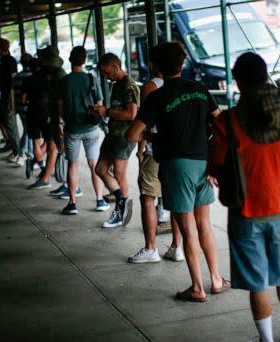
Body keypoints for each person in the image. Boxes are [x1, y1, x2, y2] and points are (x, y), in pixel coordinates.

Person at [208, 52, 280, 342]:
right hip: (276, 208)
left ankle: (266, 339)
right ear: (265, 75)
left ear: (238, 82)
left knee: (257, 283)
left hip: (243, 212)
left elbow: (214, 164)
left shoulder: (227, 122)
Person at [126, 42, 228, 302]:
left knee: (187, 227)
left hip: (176, 165)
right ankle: (216, 279)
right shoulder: (199, 89)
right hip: (202, 163)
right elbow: (220, 123)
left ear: (156, 66)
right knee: (204, 223)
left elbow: (132, 134)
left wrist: (153, 132)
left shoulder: (156, 97)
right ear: (182, 64)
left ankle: (197, 288)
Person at [127, 45, 184, 264]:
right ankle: (176, 247)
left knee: (148, 198)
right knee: (174, 201)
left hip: (156, 151)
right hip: (177, 152)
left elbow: (143, 123)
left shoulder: (150, 87)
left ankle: (151, 248)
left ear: (154, 64)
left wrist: (142, 147)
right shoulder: (184, 87)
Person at [56, 46, 110, 214]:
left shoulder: (64, 82)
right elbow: (99, 105)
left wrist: (65, 121)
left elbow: (60, 108)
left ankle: (72, 203)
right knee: (94, 164)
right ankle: (100, 200)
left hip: (72, 128)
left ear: (70, 59)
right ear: (84, 60)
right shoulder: (91, 79)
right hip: (91, 128)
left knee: (73, 164)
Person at [93, 53, 139, 228]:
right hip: (113, 133)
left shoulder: (128, 85)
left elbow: (131, 114)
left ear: (115, 67)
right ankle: (122, 200)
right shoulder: (117, 84)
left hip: (124, 136)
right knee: (100, 168)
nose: (106, 77)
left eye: (107, 73)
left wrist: (107, 112)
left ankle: (121, 212)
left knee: (119, 173)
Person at [27, 46, 66, 190]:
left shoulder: (58, 74)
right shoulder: (48, 73)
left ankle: (48, 178)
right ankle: (47, 177)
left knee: (54, 146)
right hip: (51, 114)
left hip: (56, 116)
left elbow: (61, 99)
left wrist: (61, 120)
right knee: (52, 145)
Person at [0, 38, 19, 162]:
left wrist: (10, 100)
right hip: (3, 93)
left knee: (10, 123)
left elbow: (12, 81)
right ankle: (10, 143)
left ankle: (17, 151)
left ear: (0, 48)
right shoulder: (3, 60)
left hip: (9, 95)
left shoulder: (10, 61)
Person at [12, 53, 34, 167]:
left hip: (20, 108)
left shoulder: (17, 76)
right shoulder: (32, 76)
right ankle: (28, 155)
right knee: (29, 132)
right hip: (30, 108)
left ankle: (22, 155)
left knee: (27, 130)